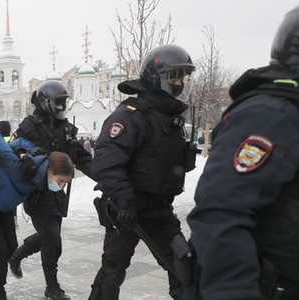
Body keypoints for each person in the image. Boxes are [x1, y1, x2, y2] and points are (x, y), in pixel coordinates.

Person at [186, 6, 299, 300]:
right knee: (115, 265)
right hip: (273, 284)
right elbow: (221, 213)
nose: (177, 83)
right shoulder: (272, 114)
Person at [88, 44, 197, 300]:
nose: (180, 83)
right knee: (112, 273)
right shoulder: (131, 115)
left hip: (160, 211)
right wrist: (125, 201)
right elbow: (106, 160)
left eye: (183, 77)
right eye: (175, 76)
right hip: (128, 211)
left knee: (186, 266)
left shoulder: (169, 117)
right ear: (155, 77)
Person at [8, 80, 93, 300]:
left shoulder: (65, 127)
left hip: (58, 191)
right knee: (53, 241)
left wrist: (103, 176)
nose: (61, 107)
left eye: (64, 102)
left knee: (47, 237)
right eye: (57, 103)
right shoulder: (29, 125)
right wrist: (25, 154)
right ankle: (52, 287)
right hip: (37, 193)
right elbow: (12, 149)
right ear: (45, 102)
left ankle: (17, 255)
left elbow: (79, 155)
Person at [0, 131, 74, 300]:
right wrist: (21, 154)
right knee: (0, 247)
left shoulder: (43, 164)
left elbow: (19, 141)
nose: (62, 186)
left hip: (3, 203)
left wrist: (24, 150)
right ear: (50, 172)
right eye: (61, 181)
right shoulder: (24, 170)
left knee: (11, 247)